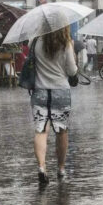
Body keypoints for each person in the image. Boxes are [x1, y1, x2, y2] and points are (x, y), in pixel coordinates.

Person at [31, 24, 78, 185]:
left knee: (41, 130)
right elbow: (72, 71)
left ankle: (41, 167)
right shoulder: (65, 43)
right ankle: (61, 168)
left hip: (40, 91)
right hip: (60, 92)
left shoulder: (36, 41)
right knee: (61, 131)